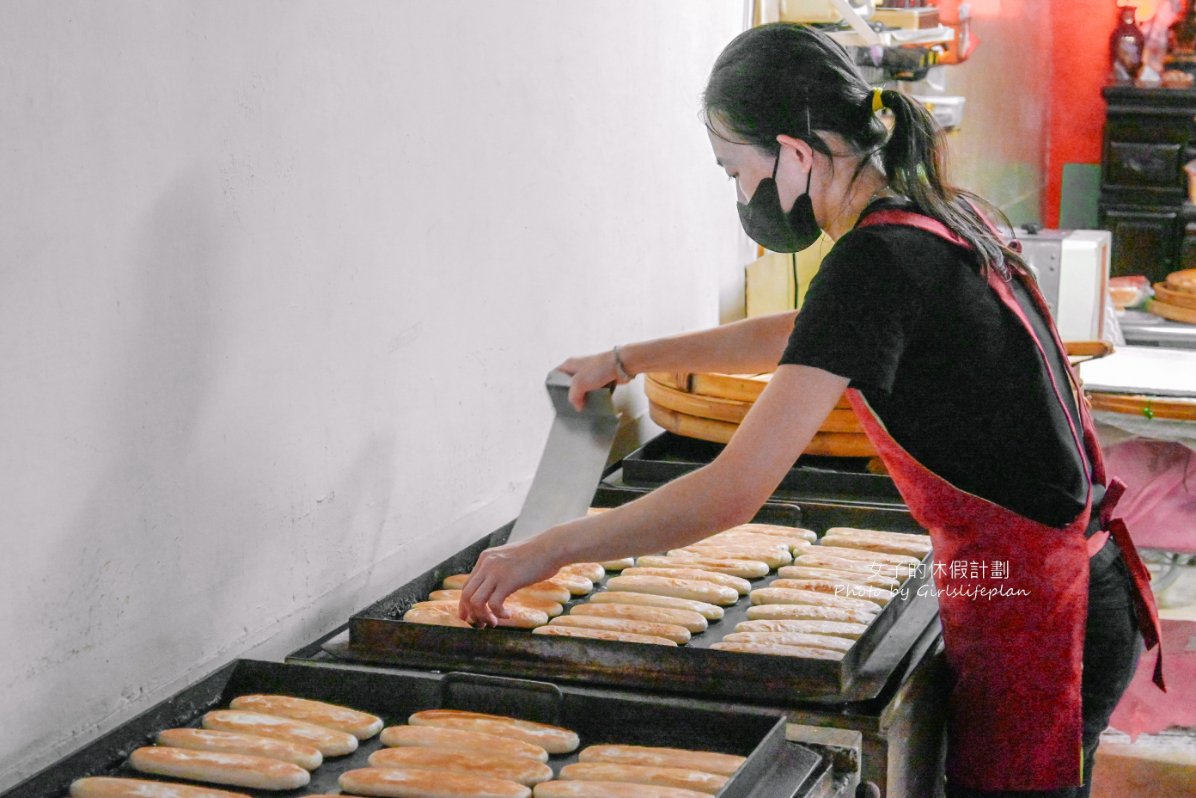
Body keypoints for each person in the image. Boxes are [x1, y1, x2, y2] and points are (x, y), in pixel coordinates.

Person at [459, 23, 1165, 797]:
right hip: (1059, 582)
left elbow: (734, 491)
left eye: (735, 169)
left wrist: (552, 547)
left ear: (795, 152)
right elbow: (812, 332)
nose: (739, 194)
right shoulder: (932, 211)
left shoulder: (875, 256)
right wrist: (632, 358)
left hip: (1038, 606)